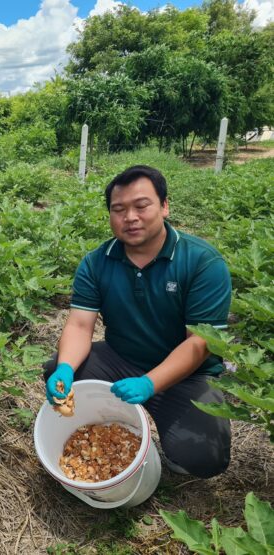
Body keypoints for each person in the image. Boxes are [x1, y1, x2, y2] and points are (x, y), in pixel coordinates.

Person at [44, 165, 232, 478]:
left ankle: (162, 424)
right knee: (58, 369)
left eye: (141, 206)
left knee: (204, 458)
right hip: (122, 360)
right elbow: (79, 326)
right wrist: (65, 367)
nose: (130, 217)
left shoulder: (201, 262)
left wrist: (150, 383)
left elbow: (199, 343)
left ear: (165, 206)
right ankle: (117, 418)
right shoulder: (97, 262)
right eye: (119, 209)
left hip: (188, 375)